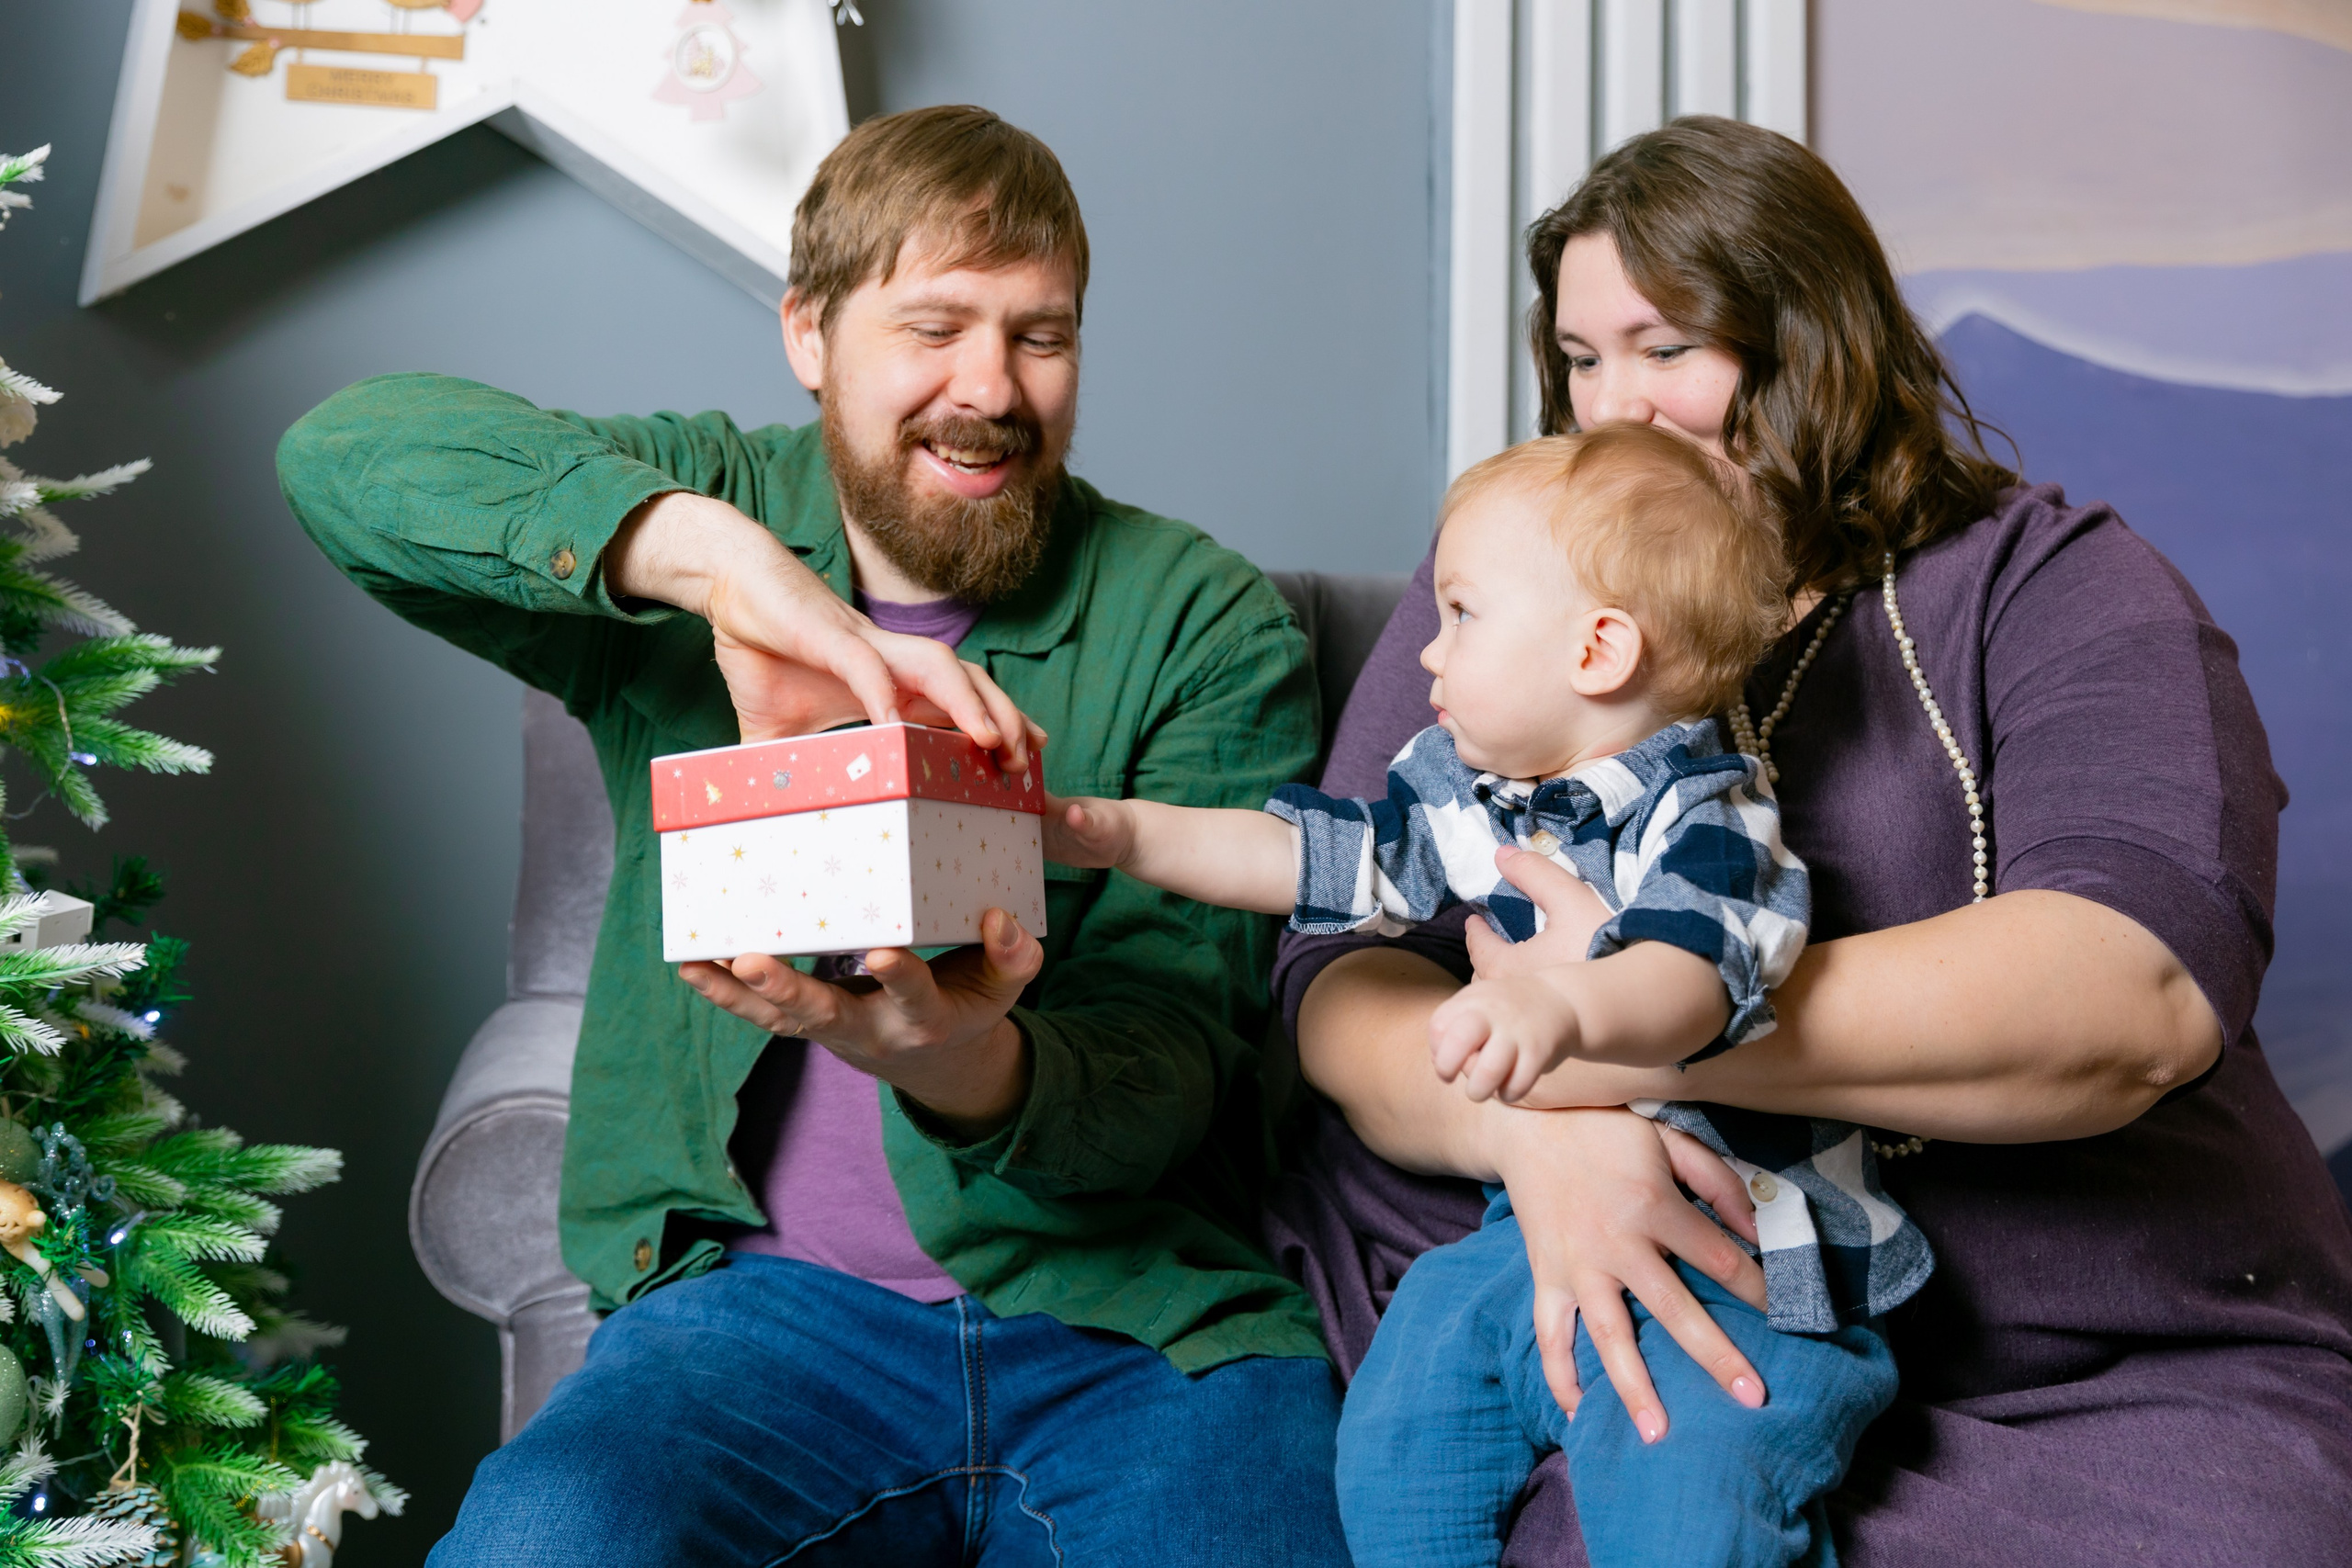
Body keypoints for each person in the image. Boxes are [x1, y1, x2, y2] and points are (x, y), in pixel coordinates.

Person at [1267, 115, 2352, 1565]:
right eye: (1581, 359)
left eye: (1666, 348)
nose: (1614, 407)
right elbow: (1340, 973)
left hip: (2080, 1365)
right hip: (1618, 1299)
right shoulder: (1512, 582)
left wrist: (1621, 1030)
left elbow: (2136, 994)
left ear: (1813, 344)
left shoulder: (2061, 585)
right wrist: (1530, 1131)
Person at [280, 105, 1350, 1565]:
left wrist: (961, 1060)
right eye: (935, 327)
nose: (992, 387)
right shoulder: (705, 510)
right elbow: (344, 455)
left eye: (1041, 335)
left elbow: (1179, 1063)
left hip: (1135, 1328)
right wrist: (721, 568)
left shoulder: (1203, 619)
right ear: (810, 332)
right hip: (755, 1321)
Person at [1047, 423, 1926, 1567]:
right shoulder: (1473, 798)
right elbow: (1309, 860)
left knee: (1688, 1501)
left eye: (1461, 614)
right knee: (1393, 1449)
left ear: (1597, 650)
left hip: (1744, 1264)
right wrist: (1124, 833)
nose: (1427, 650)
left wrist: (1556, 1011)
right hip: (1528, 1239)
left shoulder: (1708, 815)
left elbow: (1685, 983)